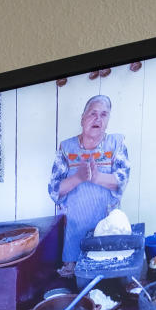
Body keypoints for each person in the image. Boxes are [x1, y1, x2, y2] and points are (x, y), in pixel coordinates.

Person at [48, 95, 131, 277]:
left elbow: (122, 180)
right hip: (74, 236)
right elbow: (54, 190)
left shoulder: (116, 143)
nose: (98, 119)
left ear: (108, 120)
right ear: (82, 118)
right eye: (93, 113)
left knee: (108, 282)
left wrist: (98, 177)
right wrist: (78, 178)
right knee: (78, 288)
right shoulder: (66, 147)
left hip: (108, 232)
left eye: (104, 114)